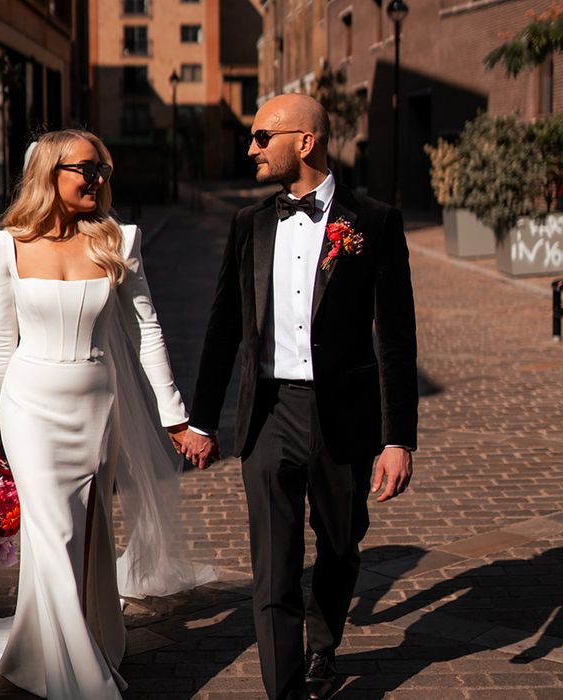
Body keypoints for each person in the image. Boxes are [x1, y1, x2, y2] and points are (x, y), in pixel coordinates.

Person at [182, 94, 418, 700]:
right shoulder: (249, 224)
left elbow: (395, 337)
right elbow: (222, 328)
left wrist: (398, 439)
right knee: (273, 565)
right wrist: (202, 420)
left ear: (305, 142)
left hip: (345, 414)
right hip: (268, 415)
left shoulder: (375, 222)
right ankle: (283, 688)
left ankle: (324, 642)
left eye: (263, 137)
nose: (252, 147)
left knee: (340, 547)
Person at [0, 129, 214, 699]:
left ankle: (67, 635)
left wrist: (174, 415)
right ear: (51, 172)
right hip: (30, 407)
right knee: (52, 531)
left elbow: (147, 331)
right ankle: (82, 682)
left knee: (83, 534)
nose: (98, 179)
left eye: (104, 168)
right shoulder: (7, 246)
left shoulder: (118, 241)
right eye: (86, 168)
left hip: (96, 408)